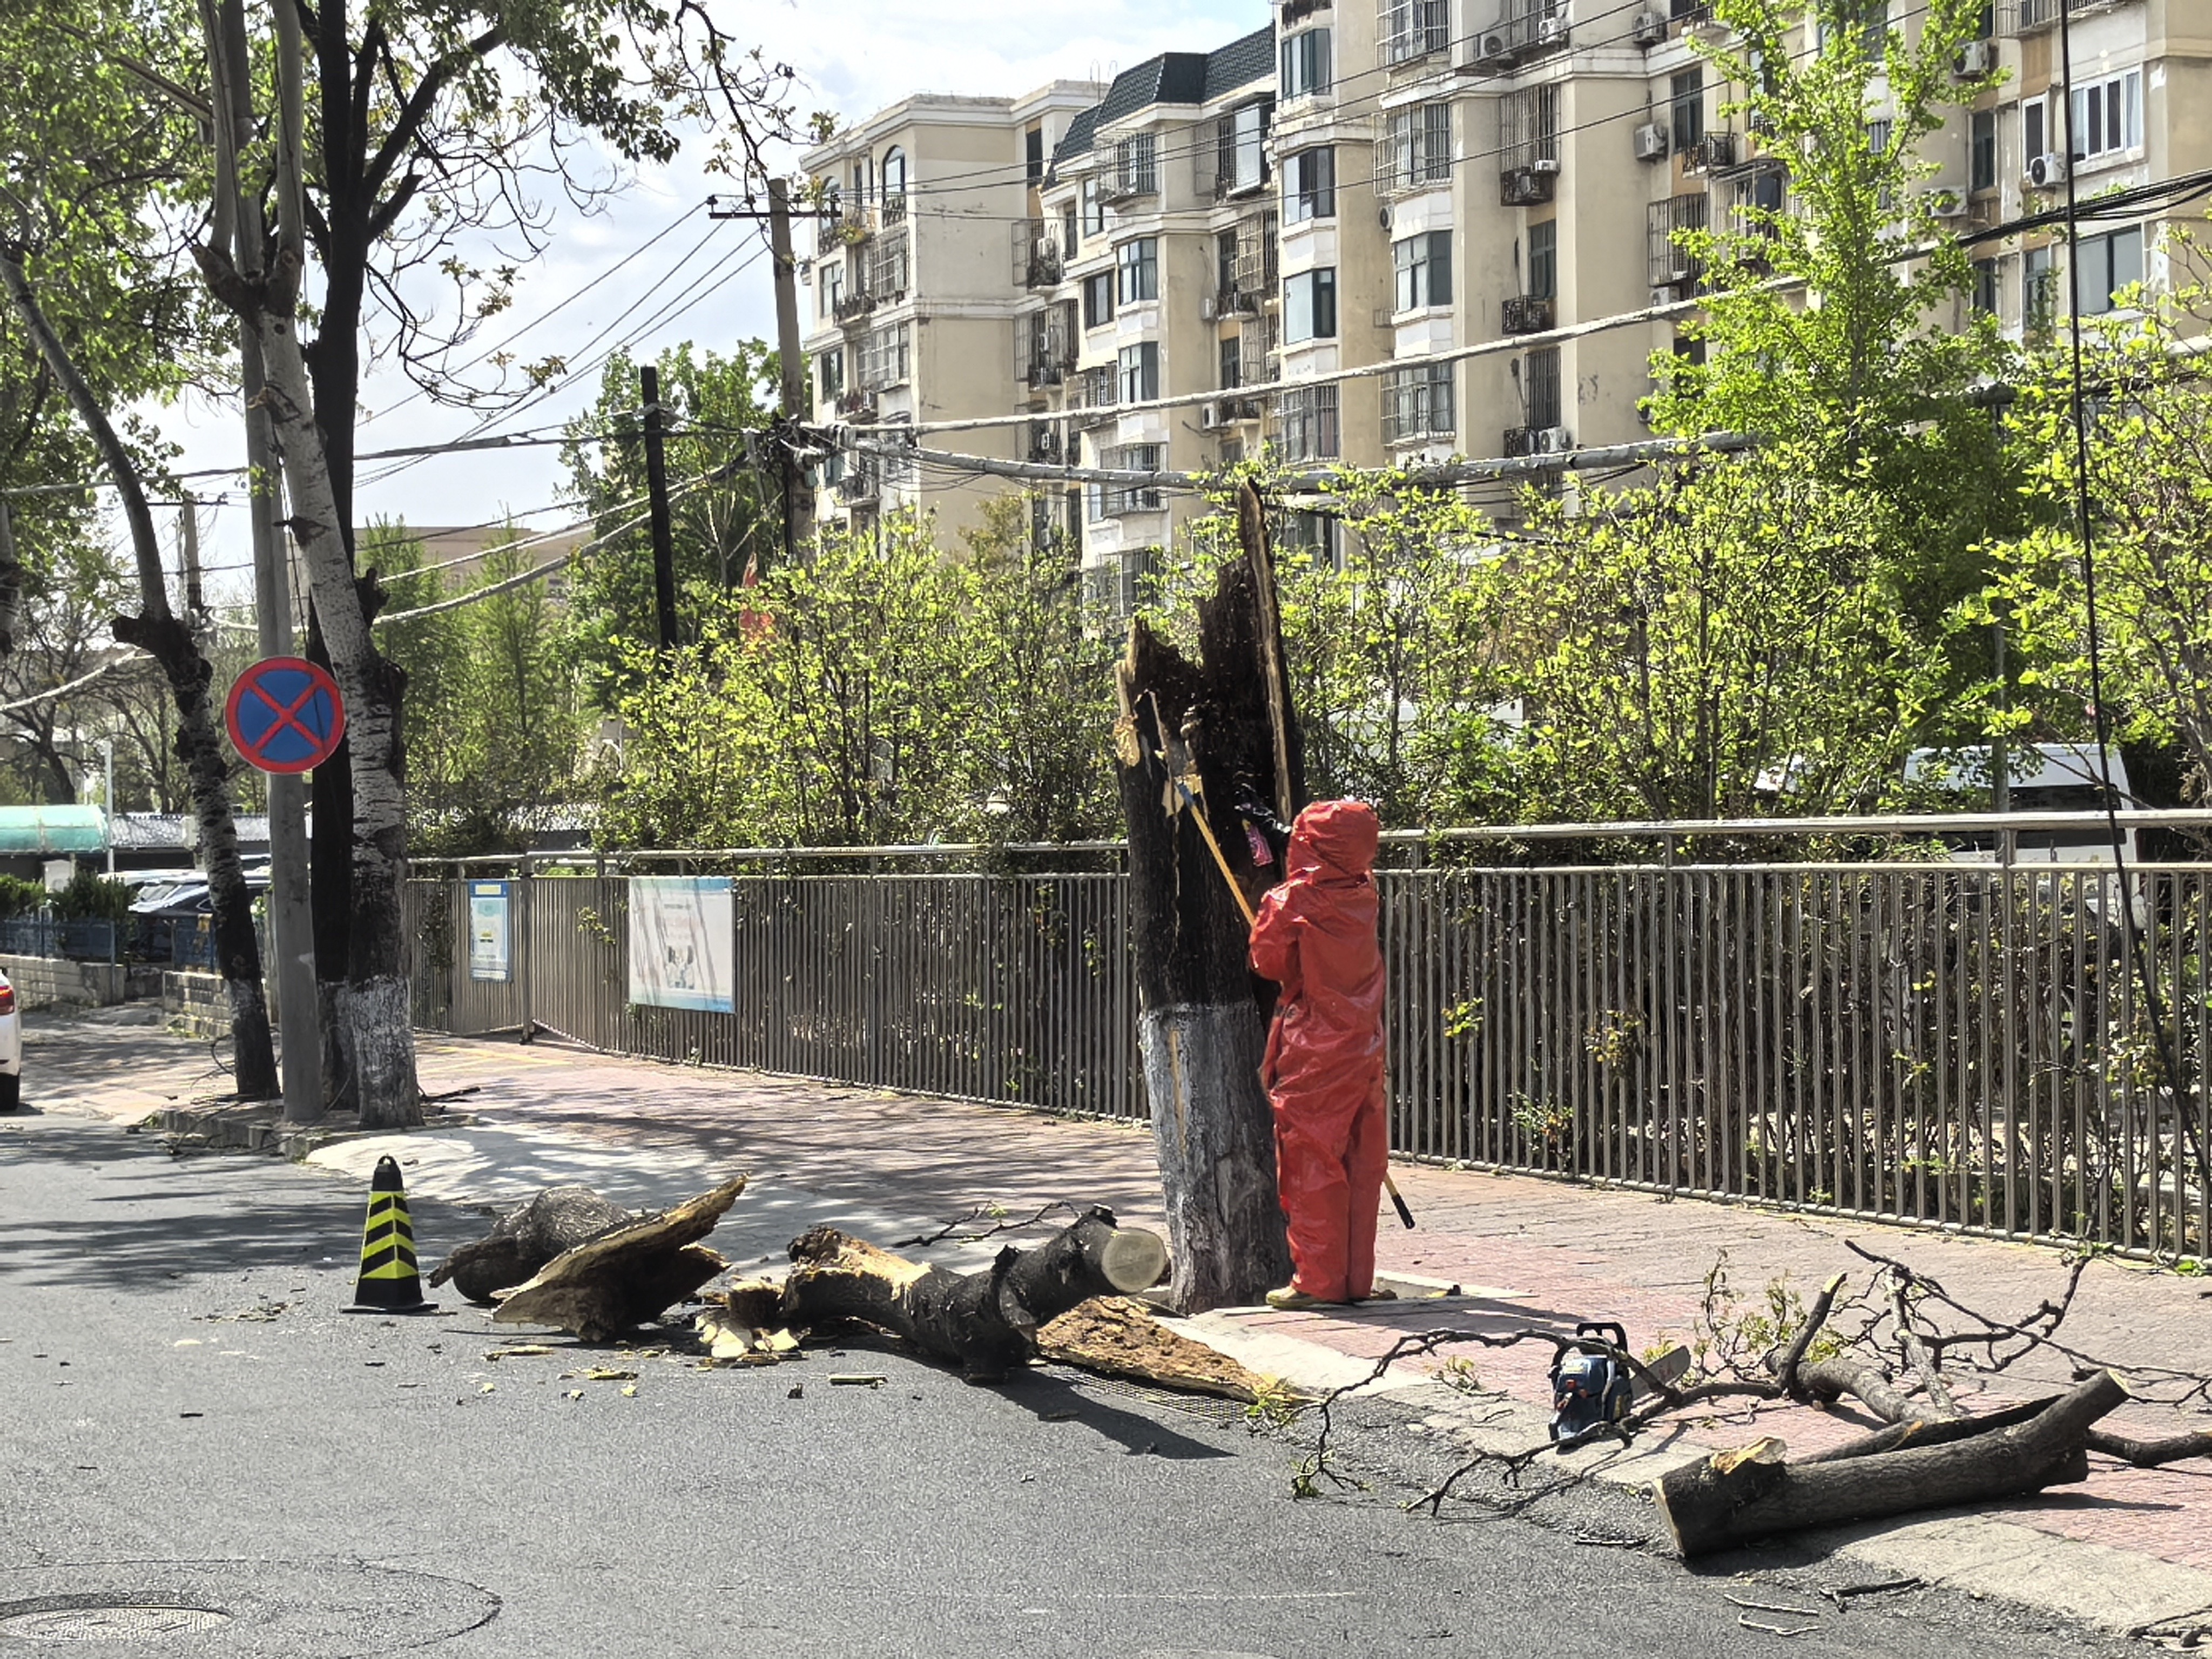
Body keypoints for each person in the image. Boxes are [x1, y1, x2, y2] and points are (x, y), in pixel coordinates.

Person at [1247, 798, 1391, 1309]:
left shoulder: (1291, 903)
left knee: (1312, 1164)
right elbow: (1336, 864)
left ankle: (1318, 1281)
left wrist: (1273, 904)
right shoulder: (1364, 892)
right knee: (1362, 1163)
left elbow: (1268, 964)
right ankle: (1355, 1280)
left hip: (1314, 1048)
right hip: (1364, 1044)